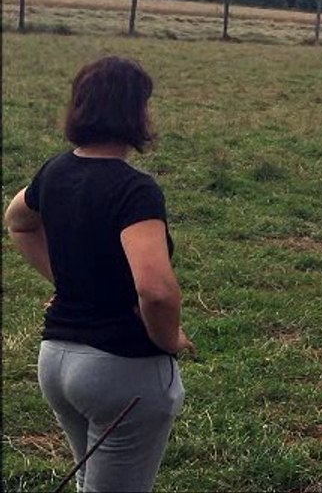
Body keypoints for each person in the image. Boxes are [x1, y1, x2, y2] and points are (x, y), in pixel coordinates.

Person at [4, 55, 193, 493]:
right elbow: (157, 290)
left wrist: (68, 283)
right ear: (133, 113)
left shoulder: (55, 170)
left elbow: (17, 221)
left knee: (93, 481)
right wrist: (169, 339)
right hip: (121, 372)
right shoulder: (134, 190)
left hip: (56, 363)